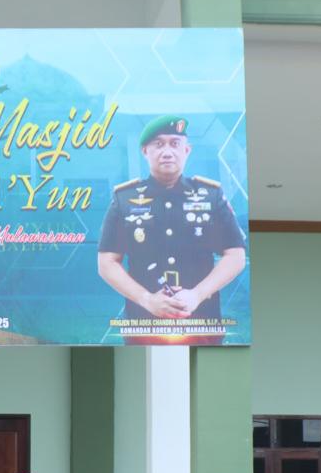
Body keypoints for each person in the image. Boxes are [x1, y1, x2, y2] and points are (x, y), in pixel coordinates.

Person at [97, 114, 247, 344]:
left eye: (175, 144)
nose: (167, 151)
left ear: (187, 150)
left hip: (201, 322)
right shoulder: (124, 199)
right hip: (143, 325)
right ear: (145, 151)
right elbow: (106, 262)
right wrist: (147, 299)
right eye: (158, 144)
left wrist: (196, 295)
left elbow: (235, 256)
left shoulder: (211, 195)